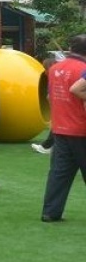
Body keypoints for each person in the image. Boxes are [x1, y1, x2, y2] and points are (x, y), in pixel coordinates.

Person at [41, 35, 86, 223]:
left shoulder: (54, 69)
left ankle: (50, 212)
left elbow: (51, 98)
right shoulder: (83, 69)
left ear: (70, 47)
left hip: (60, 129)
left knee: (59, 173)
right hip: (82, 130)